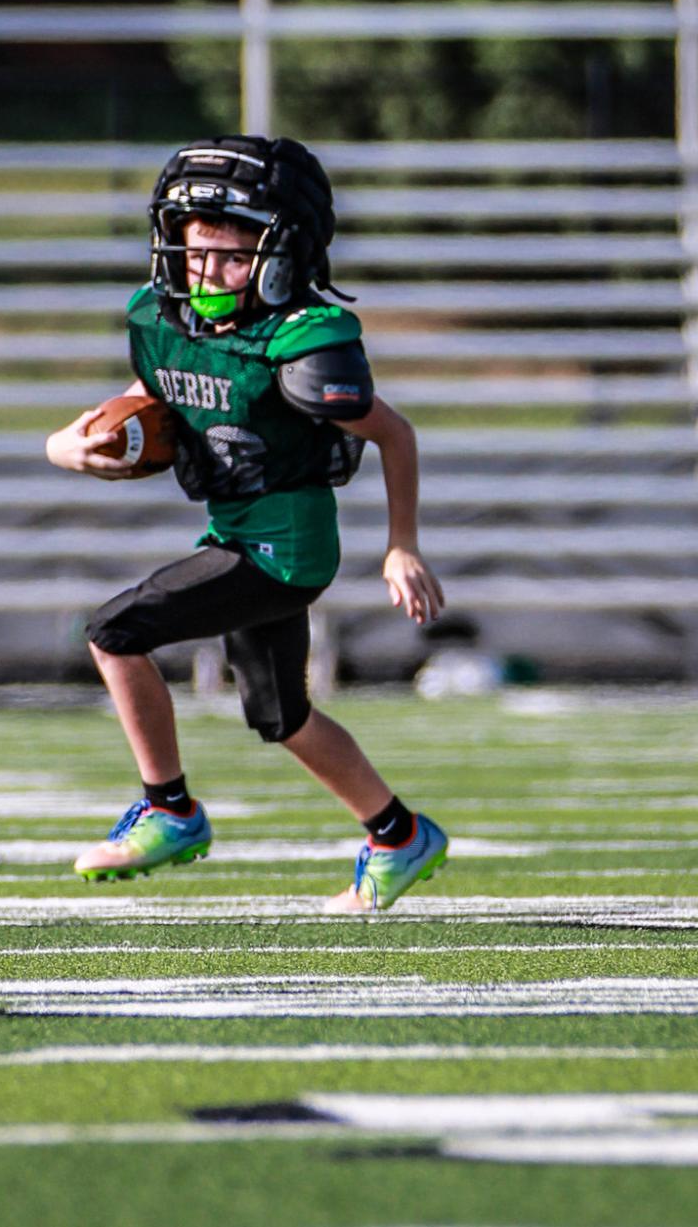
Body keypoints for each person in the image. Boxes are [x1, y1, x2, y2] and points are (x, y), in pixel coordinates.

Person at [45, 135, 449, 913]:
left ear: (280, 256)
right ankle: (397, 834)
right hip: (236, 535)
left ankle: (169, 809)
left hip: (284, 549)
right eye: (197, 254)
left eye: (234, 257)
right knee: (281, 716)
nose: (209, 275)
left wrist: (401, 543)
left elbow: (393, 432)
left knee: (115, 630)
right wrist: (66, 445)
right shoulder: (171, 321)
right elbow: (139, 394)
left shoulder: (300, 336)